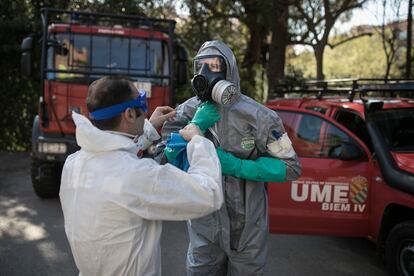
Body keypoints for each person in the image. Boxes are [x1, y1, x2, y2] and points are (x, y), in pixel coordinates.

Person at [155, 40, 301, 275]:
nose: (204, 74)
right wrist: (193, 128)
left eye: (213, 66)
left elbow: (291, 167)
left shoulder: (259, 117)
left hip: (247, 231)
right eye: (200, 66)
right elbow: (162, 158)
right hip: (204, 226)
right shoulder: (187, 111)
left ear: (228, 71)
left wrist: (236, 165)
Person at [59, 75, 224, 276]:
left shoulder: (74, 163)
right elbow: (209, 194)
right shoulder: (137, 175)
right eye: (142, 102)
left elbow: (114, 156)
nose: (145, 111)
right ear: (129, 114)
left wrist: (147, 128)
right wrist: (198, 140)